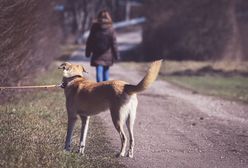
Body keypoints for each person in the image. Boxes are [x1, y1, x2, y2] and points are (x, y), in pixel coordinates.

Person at [85, 10, 119, 82]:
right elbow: (114, 43)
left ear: (98, 17)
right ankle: (106, 89)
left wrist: (88, 51)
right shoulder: (111, 28)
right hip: (108, 54)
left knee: (99, 71)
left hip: (97, 54)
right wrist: (116, 55)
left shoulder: (95, 27)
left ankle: (99, 88)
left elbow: (90, 40)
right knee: (106, 72)